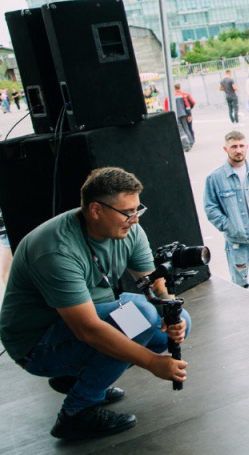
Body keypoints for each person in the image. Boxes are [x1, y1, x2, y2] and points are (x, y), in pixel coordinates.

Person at [0, 168, 190, 440]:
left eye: (138, 209)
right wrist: (152, 363)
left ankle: (80, 378)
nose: (135, 219)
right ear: (96, 210)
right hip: (37, 344)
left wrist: (172, 312)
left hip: (86, 321)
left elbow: (154, 284)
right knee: (141, 320)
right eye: (127, 212)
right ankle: (77, 412)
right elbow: (87, 329)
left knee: (174, 320)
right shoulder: (56, 249)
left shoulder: (128, 229)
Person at [204, 131, 249, 301]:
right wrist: (228, 225)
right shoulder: (215, 177)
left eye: (241, 146)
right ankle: (245, 314)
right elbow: (210, 207)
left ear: (247, 147)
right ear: (226, 149)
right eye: (234, 146)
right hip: (237, 242)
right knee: (240, 283)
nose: (238, 150)